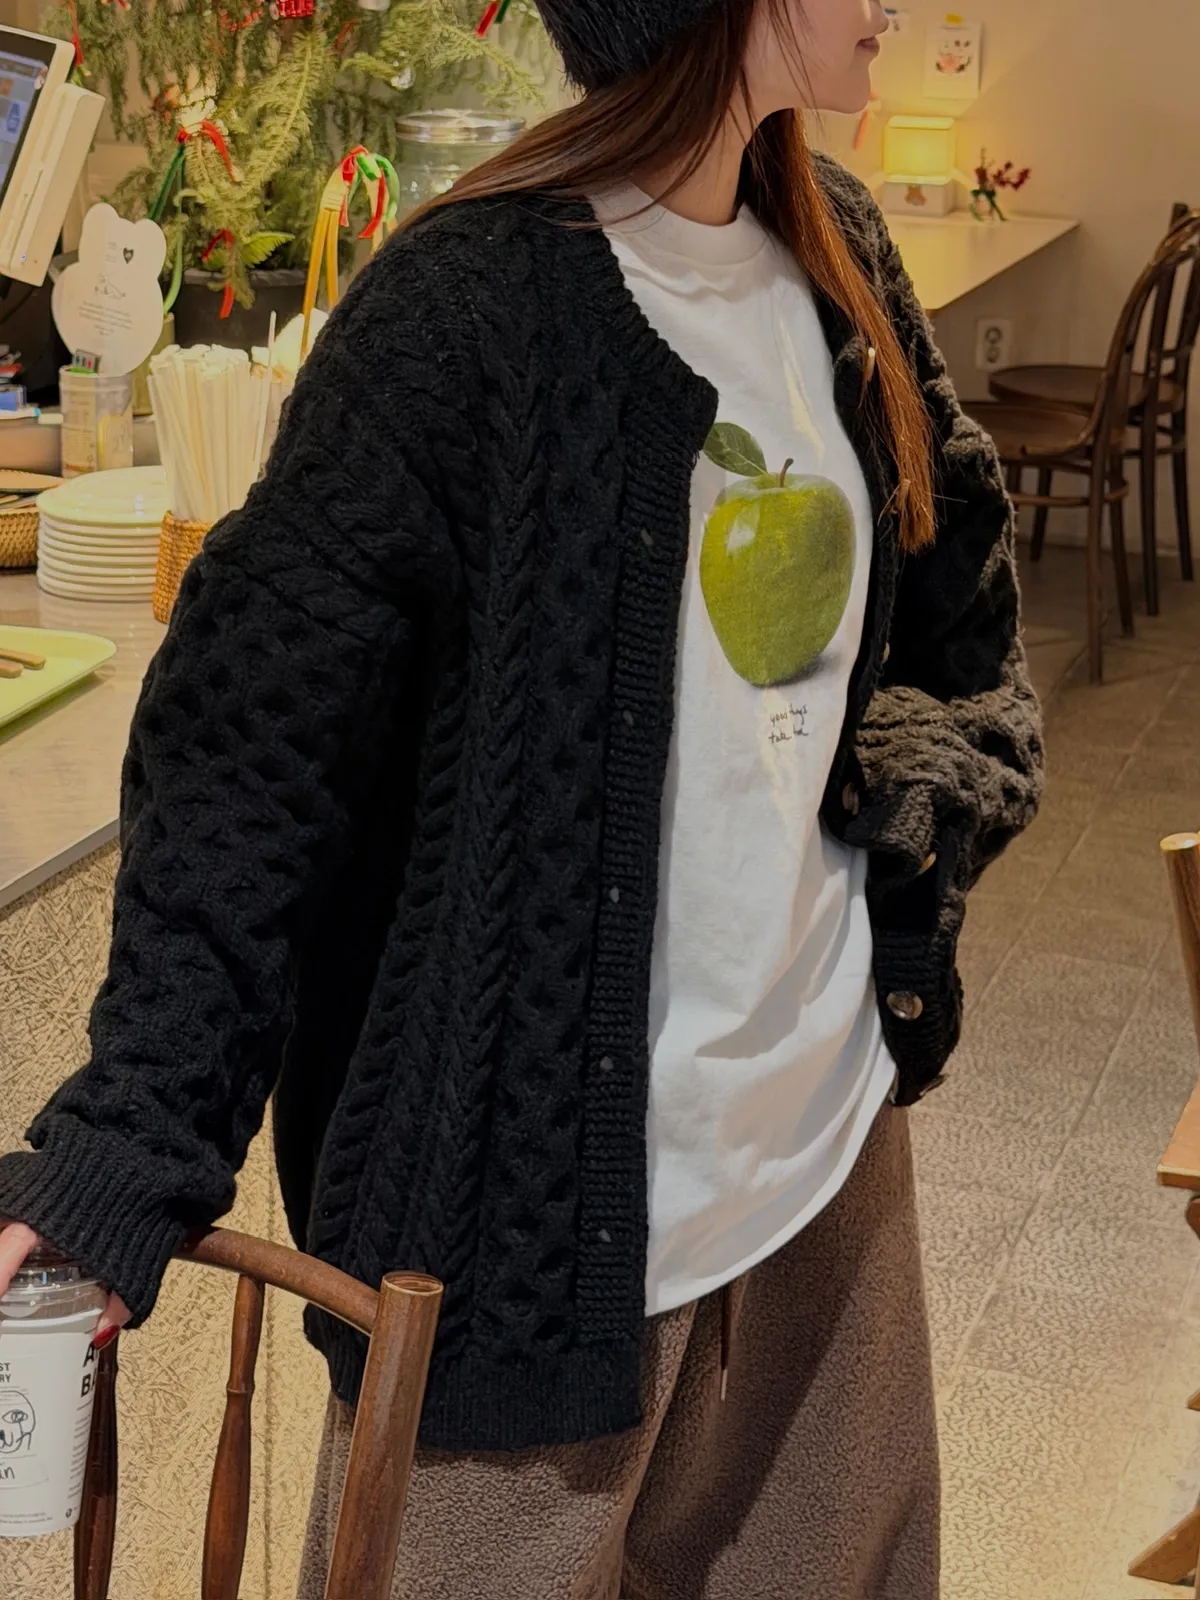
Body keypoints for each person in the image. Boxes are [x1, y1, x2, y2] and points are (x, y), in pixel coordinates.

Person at [0, 0, 1044, 1592]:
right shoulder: (462, 314)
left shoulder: (833, 249)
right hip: (520, 1245)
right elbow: (249, 756)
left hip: (827, 1185)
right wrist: (132, 1137)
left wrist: (910, 827)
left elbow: (952, 581)